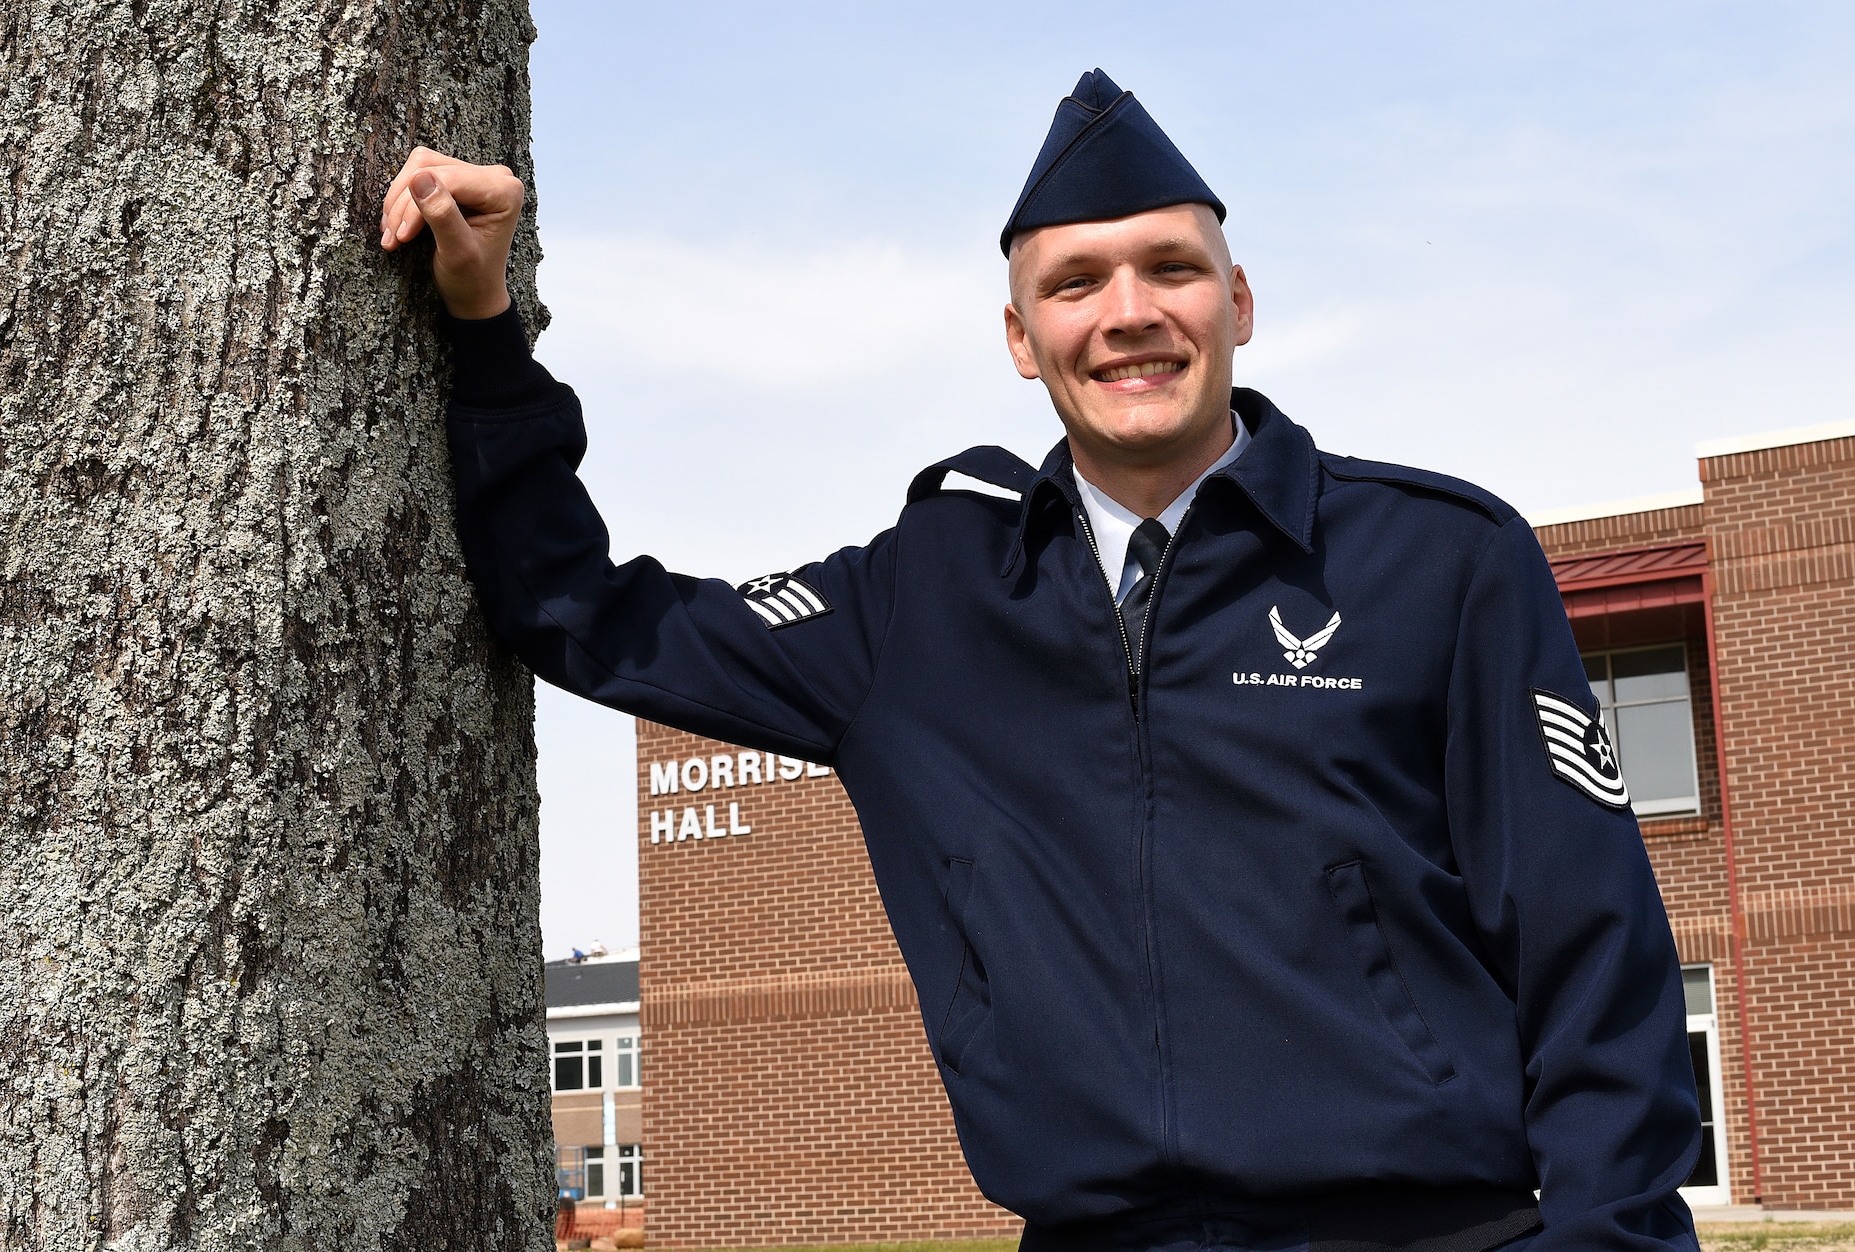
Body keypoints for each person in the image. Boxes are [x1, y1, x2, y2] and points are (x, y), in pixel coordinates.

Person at [380, 70, 1701, 1252]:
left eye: (1170, 270)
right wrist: (485, 321)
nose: (1128, 315)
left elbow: (1597, 965)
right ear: (1022, 339)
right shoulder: (919, 603)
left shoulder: (1441, 563)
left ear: (1237, 302)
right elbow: (577, 610)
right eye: (1075, 285)